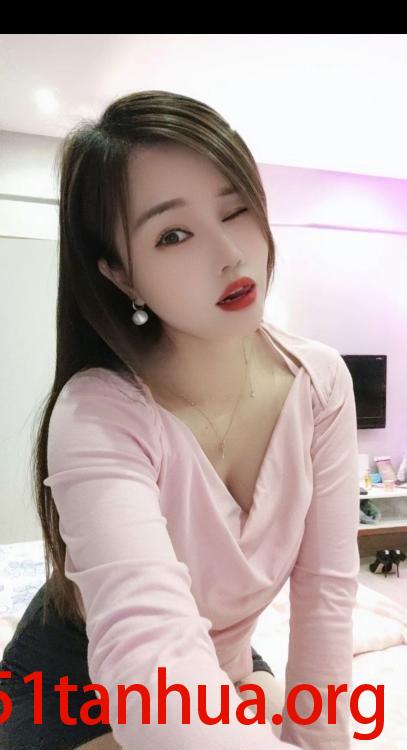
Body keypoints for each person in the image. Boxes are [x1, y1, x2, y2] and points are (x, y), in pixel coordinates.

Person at [0, 90, 360, 750]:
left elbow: (326, 598)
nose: (229, 254)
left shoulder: (320, 383)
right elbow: (148, 656)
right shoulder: (98, 412)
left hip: (217, 656)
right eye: (173, 235)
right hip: (72, 674)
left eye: (236, 209)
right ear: (121, 276)